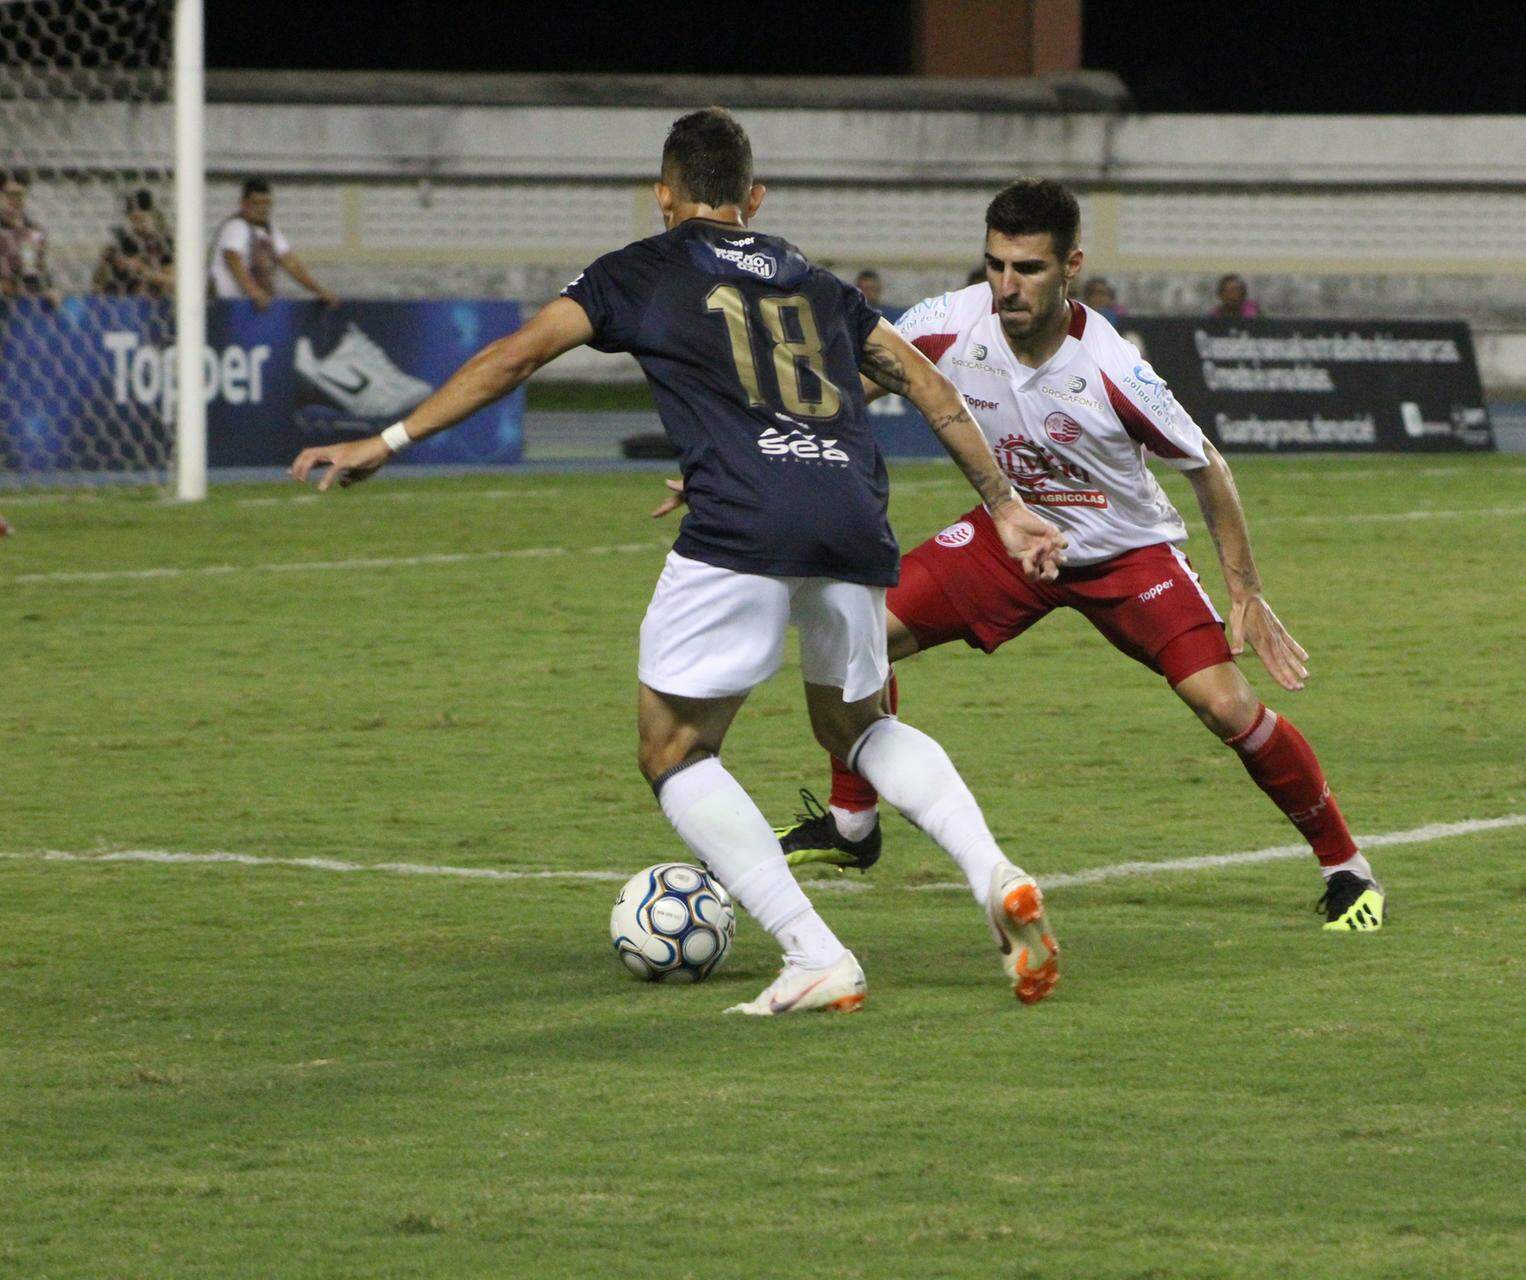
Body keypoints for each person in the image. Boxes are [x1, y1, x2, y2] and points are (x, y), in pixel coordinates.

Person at [288, 108, 1070, 1014]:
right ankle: (994, 871)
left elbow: (514, 358)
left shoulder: (642, 269)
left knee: (673, 747)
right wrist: (1005, 507)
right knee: (856, 725)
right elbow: (928, 385)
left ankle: (814, 952)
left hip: (744, 523)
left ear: (664, 196)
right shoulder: (818, 282)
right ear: (754, 199)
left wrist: (386, 441)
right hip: (851, 513)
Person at [773, 179, 1385, 933]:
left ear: (1072, 267)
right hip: (1009, 539)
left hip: (1124, 555)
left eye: (1028, 269)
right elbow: (847, 390)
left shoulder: (1114, 369)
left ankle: (1347, 869)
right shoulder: (946, 322)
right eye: (996, 265)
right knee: (857, 637)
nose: (1007, 286)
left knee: (1226, 707)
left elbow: (1208, 468)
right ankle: (852, 824)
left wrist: (1246, 592)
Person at [211, 178, 338, 310]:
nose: (262, 209)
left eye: (266, 203)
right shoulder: (236, 226)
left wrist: (319, 291)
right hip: (228, 306)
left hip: (252, 306)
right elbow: (232, 259)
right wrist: (254, 292)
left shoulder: (270, 230)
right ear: (243, 204)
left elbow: (290, 263)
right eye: (256, 203)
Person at [93, 189, 175, 297]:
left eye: (140, 219)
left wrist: (142, 269)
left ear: (152, 216)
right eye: (133, 220)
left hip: (153, 298)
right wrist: (108, 263)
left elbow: (171, 281)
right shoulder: (126, 240)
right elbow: (96, 283)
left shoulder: (164, 241)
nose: (136, 224)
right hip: (123, 297)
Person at [0, 172, 53, 301]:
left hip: (23, 298)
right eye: (10, 195)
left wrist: (49, 289)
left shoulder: (33, 232)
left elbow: (32, 269)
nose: (15, 201)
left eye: (20, 195)